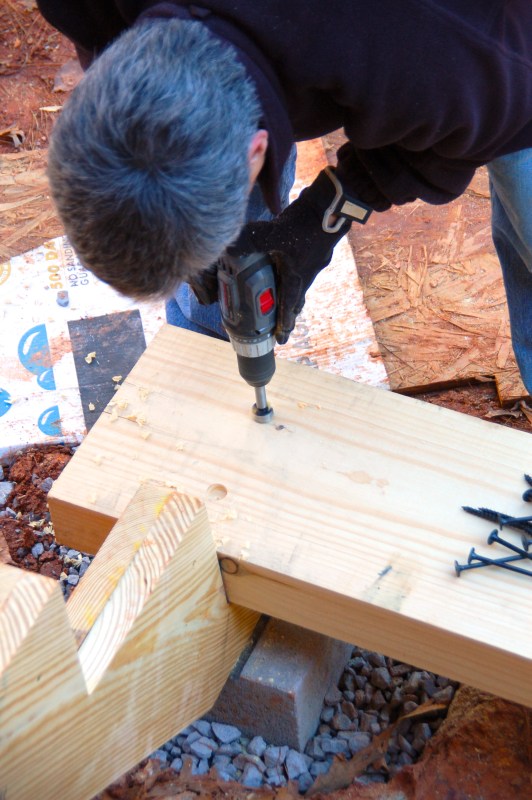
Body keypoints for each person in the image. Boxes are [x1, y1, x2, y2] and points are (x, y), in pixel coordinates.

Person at [36, 2, 532, 389]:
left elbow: (499, 115)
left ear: (258, 149)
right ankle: (206, 358)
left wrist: (330, 209)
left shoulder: (437, 54)